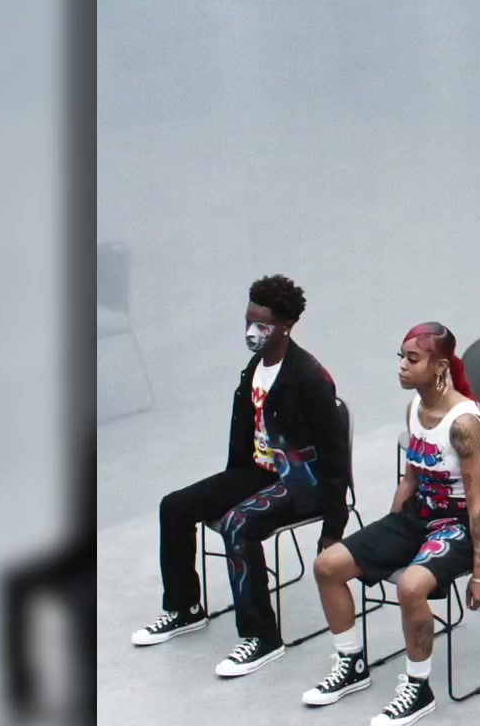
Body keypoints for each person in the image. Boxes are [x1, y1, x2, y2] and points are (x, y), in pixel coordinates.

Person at [132, 275, 349, 679]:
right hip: (257, 472)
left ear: (285, 326)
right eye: (248, 320)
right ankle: (184, 608)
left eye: (261, 324)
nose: (251, 331)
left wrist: (333, 528)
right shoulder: (256, 367)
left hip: (304, 482)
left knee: (238, 524)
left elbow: (336, 458)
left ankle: (261, 637)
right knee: (175, 507)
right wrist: (228, 485)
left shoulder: (308, 377)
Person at [301, 323, 480, 726]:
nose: (402, 367)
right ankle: (351, 664)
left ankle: (419, 688)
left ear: (440, 366)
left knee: (410, 586)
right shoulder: (415, 409)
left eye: (413, 359)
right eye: (402, 357)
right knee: (327, 566)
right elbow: (410, 479)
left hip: (458, 523)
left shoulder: (462, 423)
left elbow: (477, 501)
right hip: (417, 515)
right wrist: (389, 532)